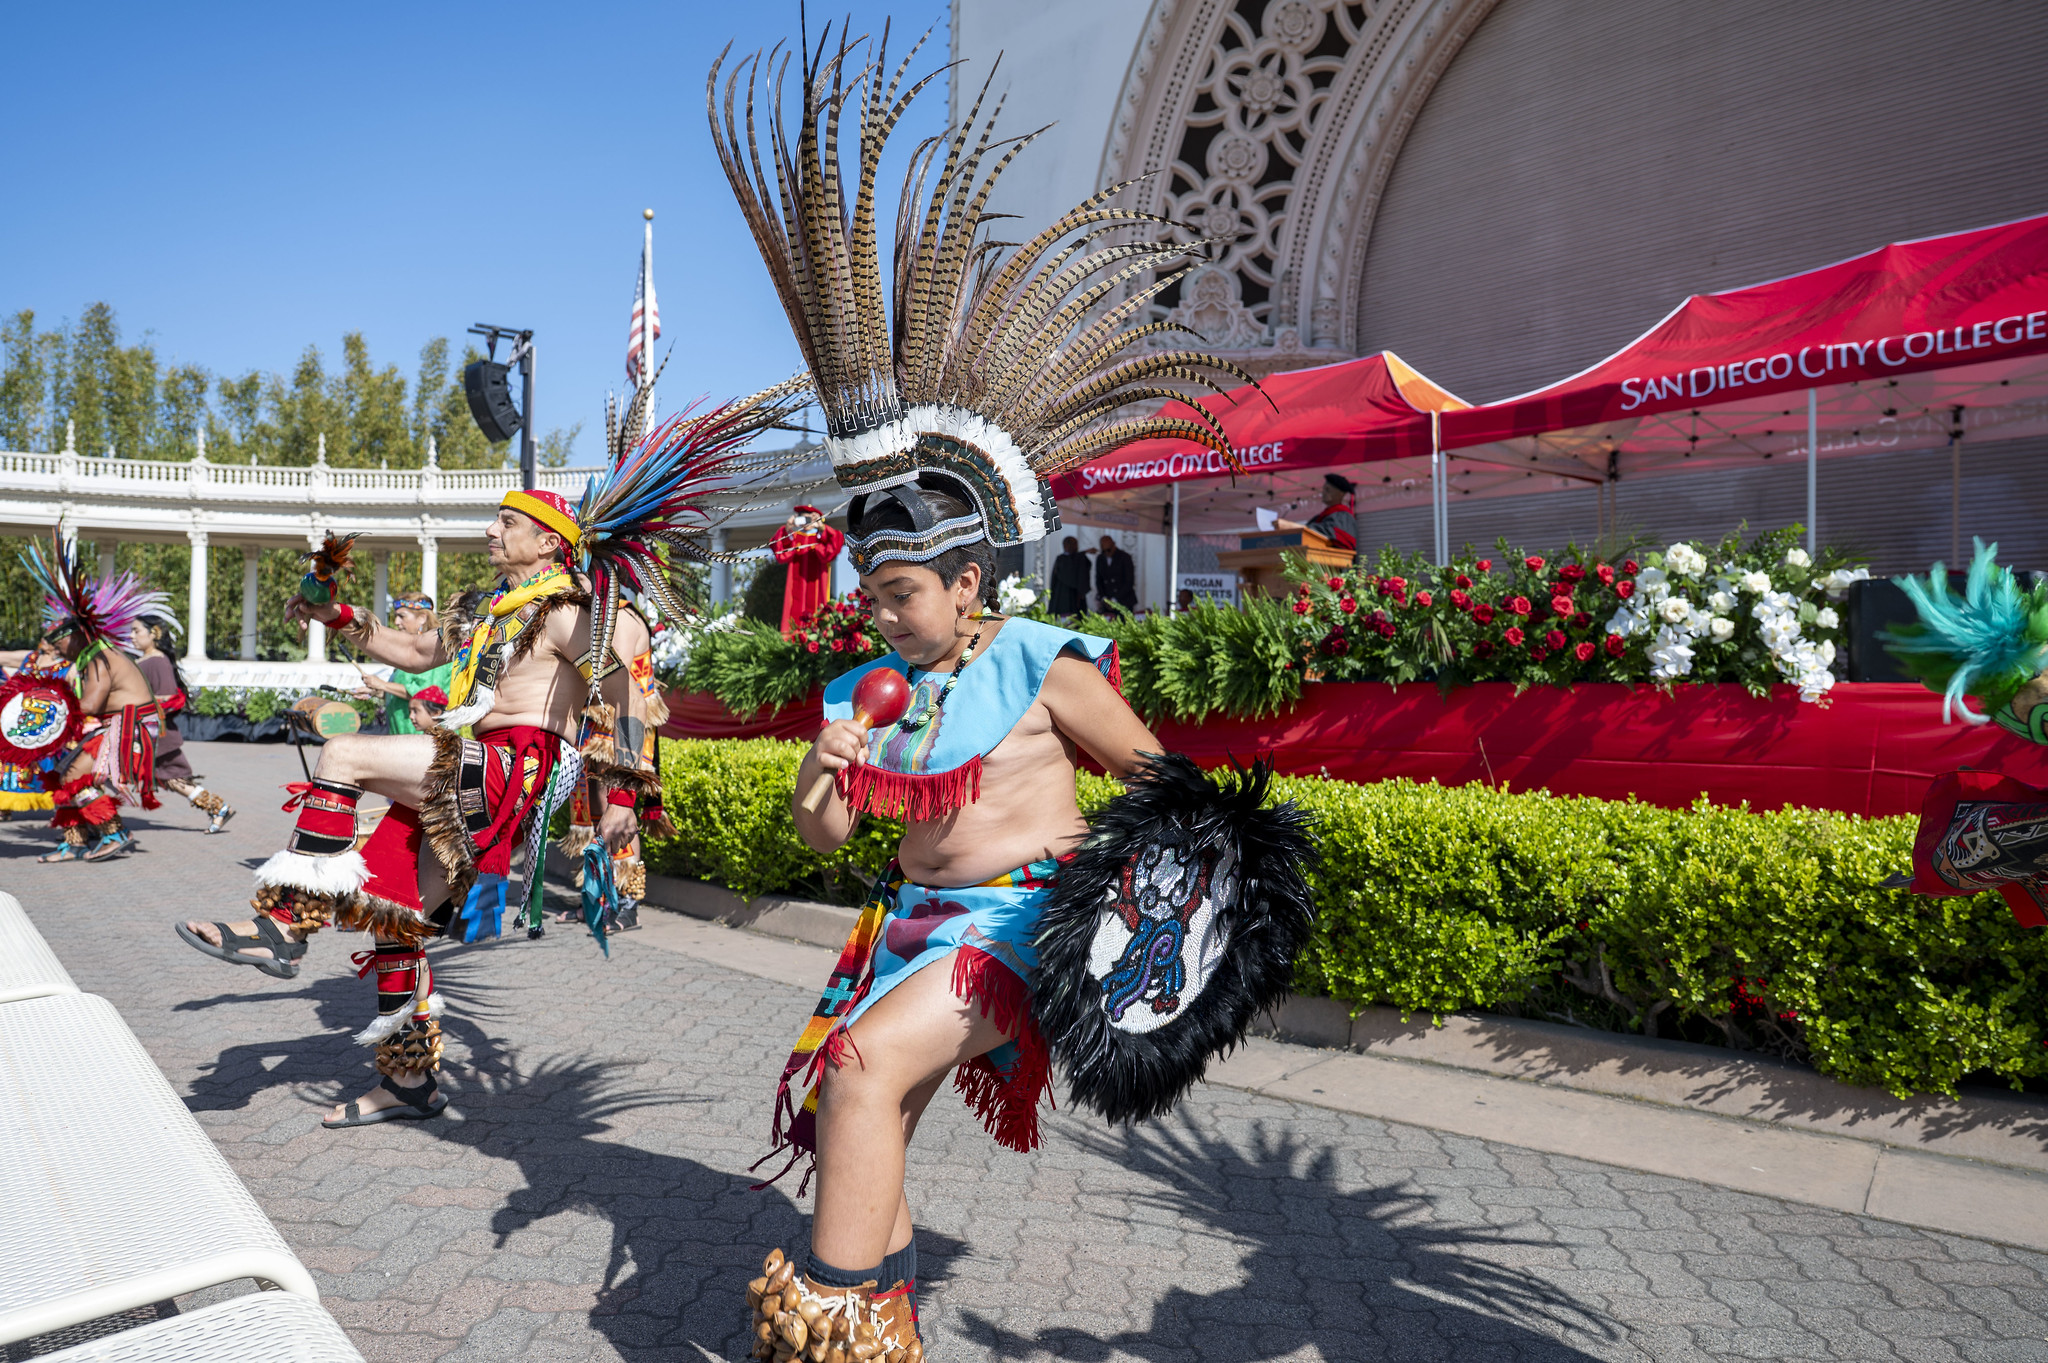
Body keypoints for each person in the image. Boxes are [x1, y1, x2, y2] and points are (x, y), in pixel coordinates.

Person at [710, 30, 1271, 1360]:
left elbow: (1164, 791)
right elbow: (823, 843)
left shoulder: (1044, 662)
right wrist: (827, 756)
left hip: (1017, 928)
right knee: (871, 1114)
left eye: (903, 591)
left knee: (853, 1071)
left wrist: (1149, 935)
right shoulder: (865, 683)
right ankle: (882, 1323)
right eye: (874, 588)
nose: (881, 610)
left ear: (970, 585)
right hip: (904, 920)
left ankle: (833, 1333)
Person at [168, 377, 802, 1128]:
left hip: (517, 768)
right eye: (497, 520)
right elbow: (406, 647)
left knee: (341, 758)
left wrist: (626, 796)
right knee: (394, 916)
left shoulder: (569, 612)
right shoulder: (483, 610)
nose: (494, 531)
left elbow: (632, 687)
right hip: (476, 765)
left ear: (549, 542)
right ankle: (409, 1084)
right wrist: (335, 610)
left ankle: (285, 922)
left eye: (510, 522)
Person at [17, 537, 166, 863]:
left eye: (60, 645)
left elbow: (89, 706)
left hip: (130, 728)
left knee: (73, 776)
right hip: (118, 724)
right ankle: (74, 842)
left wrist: (48, 702)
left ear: (76, 635)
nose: (57, 651)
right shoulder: (90, 657)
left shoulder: (99, 658)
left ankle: (115, 833)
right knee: (61, 775)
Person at [129, 612, 234, 834]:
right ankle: (219, 808)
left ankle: (100, 822)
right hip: (147, 734)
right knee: (171, 779)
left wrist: (132, 707)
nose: (132, 636)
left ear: (154, 633)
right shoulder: (147, 660)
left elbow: (166, 697)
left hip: (157, 735)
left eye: (136, 631)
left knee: (171, 778)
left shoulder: (156, 661)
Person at [350, 594, 451, 735]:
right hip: (403, 734)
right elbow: (407, 692)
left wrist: (383, 685)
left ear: (422, 617)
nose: (396, 621)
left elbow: (428, 695)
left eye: (402, 616)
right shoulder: (410, 654)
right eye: (395, 616)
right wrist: (377, 692)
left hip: (423, 739)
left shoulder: (434, 650)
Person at [770, 505, 846, 636]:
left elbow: (834, 545)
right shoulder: (794, 538)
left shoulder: (821, 539)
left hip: (817, 588)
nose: (806, 523)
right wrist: (787, 529)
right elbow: (780, 553)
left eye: (810, 519)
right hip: (795, 589)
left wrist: (822, 528)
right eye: (803, 519)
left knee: (818, 616)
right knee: (793, 617)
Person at [1275, 472, 1359, 552]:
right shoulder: (1321, 517)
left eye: (1328, 490)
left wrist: (1293, 526)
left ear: (1341, 494)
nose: (1323, 492)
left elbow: (1330, 534)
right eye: (1323, 489)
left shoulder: (1343, 516)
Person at [1094, 535, 1137, 614]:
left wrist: (1114, 599)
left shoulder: (1125, 557)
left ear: (1114, 545)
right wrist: (1104, 598)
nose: (1106, 553)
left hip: (1123, 601)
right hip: (1107, 601)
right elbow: (1098, 580)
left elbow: (1129, 582)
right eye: (1104, 551)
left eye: (1108, 550)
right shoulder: (1100, 558)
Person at [1048, 535, 1091, 616]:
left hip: (1076, 596)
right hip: (1061, 595)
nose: (1075, 547)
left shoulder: (1079, 558)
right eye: (1073, 544)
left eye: (1075, 544)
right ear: (1065, 545)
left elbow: (1084, 571)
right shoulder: (1061, 559)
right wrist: (1085, 552)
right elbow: (1067, 573)